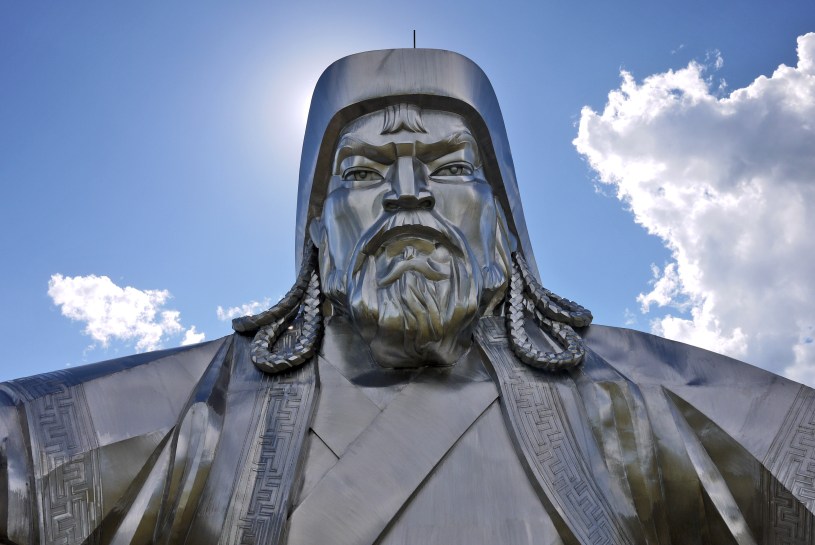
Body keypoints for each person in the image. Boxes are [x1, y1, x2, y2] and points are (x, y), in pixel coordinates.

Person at [1, 49, 812, 545]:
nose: (407, 193)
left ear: (507, 228)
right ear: (316, 235)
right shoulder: (199, 417)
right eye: (360, 173)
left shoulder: (638, 402)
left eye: (452, 167)